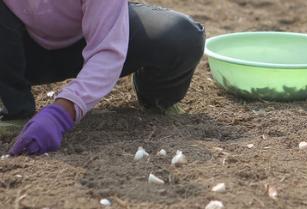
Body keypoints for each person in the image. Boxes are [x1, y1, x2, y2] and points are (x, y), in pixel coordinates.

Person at [0, 0, 205, 156]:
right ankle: (13, 107)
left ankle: (155, 97)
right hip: (17, 47)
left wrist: (62, 111)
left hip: (90, 34)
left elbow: (107, 51)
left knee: (181, 37)